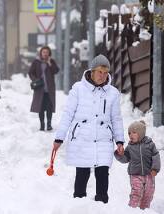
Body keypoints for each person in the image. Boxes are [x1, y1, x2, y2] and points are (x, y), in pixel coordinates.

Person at [52, 54, 125, 203]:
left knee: (103, 174)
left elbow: (116, 119)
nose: (102, 76)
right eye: (100, 72)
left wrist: (119, 141)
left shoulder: (113, 93)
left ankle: (102, 207)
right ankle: (79, 206)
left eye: (105, 73)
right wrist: (59, 138)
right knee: (82, 175)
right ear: (92, 71)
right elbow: (68, 114)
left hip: (103, 139)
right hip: (82, 138)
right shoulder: (78, 89)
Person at [115, 120, 161, 209]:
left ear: (141, 133)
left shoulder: (150, 144)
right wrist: (120, 154)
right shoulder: (130, 147)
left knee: (148, 194)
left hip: (149, 174)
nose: (131, 135)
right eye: (129, 133)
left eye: (134, 133)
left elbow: (155, 156)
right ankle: (132, 209)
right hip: (135, 174)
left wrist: (155, 169)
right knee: (136, 192)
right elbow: (125, 159)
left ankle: (143, 210)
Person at [29, 46, 59, 131]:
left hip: (49, 89)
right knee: (41, 107)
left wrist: (50, 63)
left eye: (47, 52)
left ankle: (49, 124)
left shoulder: (51, 61)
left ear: (49, 53)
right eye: (43, 52)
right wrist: (35, 80)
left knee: (49, 107)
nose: (45, 54)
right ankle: (42, 125)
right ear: (41, 53)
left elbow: (56, 71)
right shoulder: (36, 62)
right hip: (39, 88)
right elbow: (30, 72)